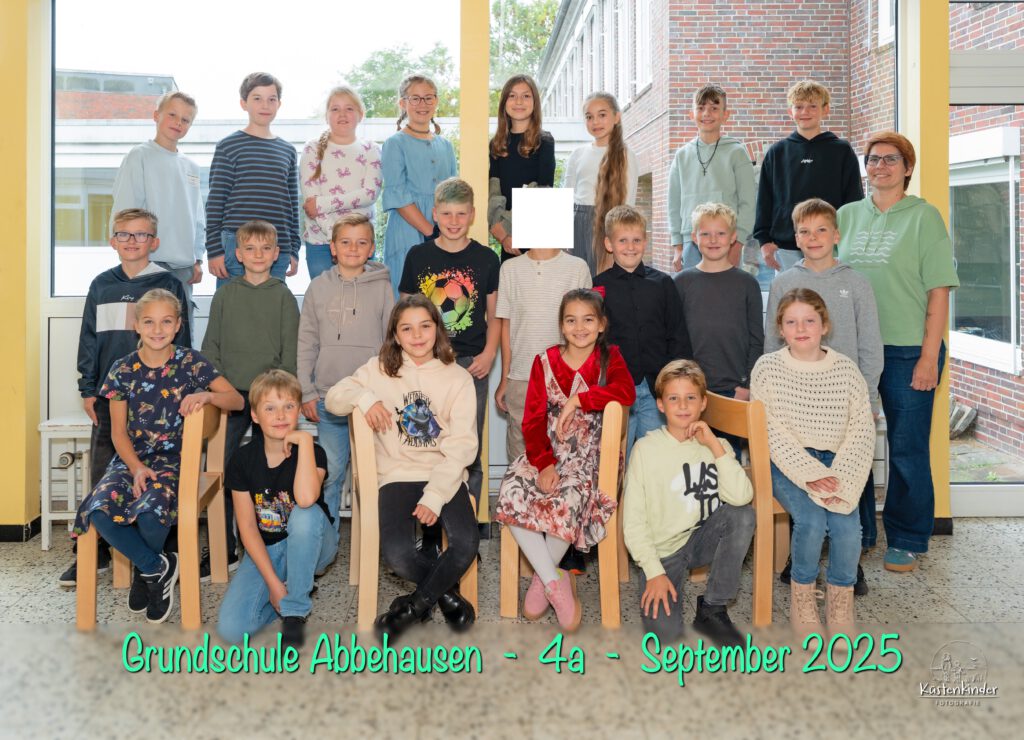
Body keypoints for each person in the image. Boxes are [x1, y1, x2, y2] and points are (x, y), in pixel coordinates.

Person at [71, 289, 242, 624]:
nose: (157, 329)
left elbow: (236, 400)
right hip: (130, 460)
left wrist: (208, 396)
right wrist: (135, 467)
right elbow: (117, 434)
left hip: (176, 462)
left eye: (166, 322)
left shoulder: (191, 363)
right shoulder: (122, 369)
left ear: (177, 325)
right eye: (149, 322)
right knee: (98, 510)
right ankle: (155, 567)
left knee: (151, 512)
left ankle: (145, 571)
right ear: (136, 325)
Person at [837, 131, 959, 573]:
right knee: (852, 446)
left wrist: (929, 356)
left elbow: (939, 290)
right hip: (854, 352)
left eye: (891, 159)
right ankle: (859, 532)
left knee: (907, 449)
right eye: (873, 159)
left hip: (909, 350)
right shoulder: (847, 215)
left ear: (907, 168)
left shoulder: (925, 217)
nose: (881, 166)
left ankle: (907, 537)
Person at [325, 294, 479, 640]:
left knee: (467, 543)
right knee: (397, 556)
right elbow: (334, 398)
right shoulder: (378, 369)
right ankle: (447, 596)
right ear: (395, 335)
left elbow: (462, 447)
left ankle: (411, 608)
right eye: (407, 329)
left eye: (425, 326)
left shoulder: (458, 378)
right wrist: (365, 398)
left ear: (437, 329)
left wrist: (435, 495)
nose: (417, 335)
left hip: (445, 474)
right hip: (396, 475)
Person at [60, 208, 191, 588]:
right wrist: (88, 387)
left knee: (161, 470)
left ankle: (155, 547)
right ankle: (93, 551)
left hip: (160, 397)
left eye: (141, 234)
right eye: (124, 234)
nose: (132, 241)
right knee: (103, 472)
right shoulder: (101, 284)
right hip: (109, 396)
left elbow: (182, 341)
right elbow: (88, 338)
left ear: (155, 241)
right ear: (112, 240)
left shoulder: (168, 283)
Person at [495, 288, 635, 630]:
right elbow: (532, 421)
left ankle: (542, 579)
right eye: (571, 321)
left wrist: (579, 400)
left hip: (592, 456)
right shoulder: (544, 361)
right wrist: (544, 463)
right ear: (561, 325)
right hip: (546, 450)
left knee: (568, 498)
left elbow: (626, 391)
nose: (580, 328)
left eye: (588, 320)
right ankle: (553, 581)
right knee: (511, 490)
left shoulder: (610, 358)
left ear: (601, 324)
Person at [765, 198, 882, 595]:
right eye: (804, 231)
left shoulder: (857, 283)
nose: (812, 238)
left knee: (849, 487)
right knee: (806, 501)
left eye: (821, 230)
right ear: (795, 238)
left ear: (836, 235)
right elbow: (771, 346)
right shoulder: (783, 282)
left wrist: (869, 402)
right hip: (795, 414)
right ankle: (801, 563)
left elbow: (870, 346)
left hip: (846, 410)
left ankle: (849, 564)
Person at [750, 289, 875, 637]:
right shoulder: (767, 368)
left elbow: (861, 429)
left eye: (809, 320)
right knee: (813, 520)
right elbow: (769, 430)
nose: (801, 328)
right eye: (791, 322)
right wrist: (809, 473)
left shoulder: (846, 370)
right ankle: (802, 599)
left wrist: (841, 473)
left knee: (848, 526)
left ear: (825, 325)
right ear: (780, 329)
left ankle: (840, 603)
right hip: (785, 462)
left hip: (839, 463)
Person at [623, 359, 755, 646]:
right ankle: (666, 584)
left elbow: (742, 496)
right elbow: (633, 522)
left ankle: (713, 608)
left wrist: (715, 446)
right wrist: (654, 572)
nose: (683, 406)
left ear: (703, 402)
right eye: (674, 398)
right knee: (665, 636)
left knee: (742, 515)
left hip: (701, 540)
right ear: (660, 405)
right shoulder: (645, 450)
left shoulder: (716, 446)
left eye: (691, 398)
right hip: (663, 553)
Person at [398, 178, 500, 536]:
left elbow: (495, 314)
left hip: (471, 365)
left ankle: (465, 530)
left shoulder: (486, 258)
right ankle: (428, 530)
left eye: (460, 214)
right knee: (426, 444)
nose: (453, 221)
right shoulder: (418, 256)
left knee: (468, 446)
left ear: (472, 215)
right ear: (434, 214)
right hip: (427, 364)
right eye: (446, 214)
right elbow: (405, 313)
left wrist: (489, 353)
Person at [202, 220, 300, 576]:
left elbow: (290, 354)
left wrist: (278, 397)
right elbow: (210, 347)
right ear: (238, 254)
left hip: (269, 399)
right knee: (222, 469)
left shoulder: (283, 296)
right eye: (250, 249)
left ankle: (273, 545)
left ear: (276, 254)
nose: (258, 255)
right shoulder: (225, 295)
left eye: (265, 249)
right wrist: (218, 389)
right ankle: (223, 547)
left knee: (272, 473)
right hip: (230, 396)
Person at [217, 370, 339, 649]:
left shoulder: (314, 452)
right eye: (270, 408)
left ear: (299, 411)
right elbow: (248, 528)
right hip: (268, 549)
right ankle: (294, 586)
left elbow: (306, 499)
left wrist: (305, 441)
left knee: (304, 514)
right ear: (255, 415)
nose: (280, 415)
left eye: (288, 406)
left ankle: (294, 613)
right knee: (232, 630)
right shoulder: (241, 460)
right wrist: (273, 585)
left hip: (315, 544)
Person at [298, 213, 393, 529]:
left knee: (375, 474)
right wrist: (307, 391)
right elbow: (307, 341)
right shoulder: (317, 288)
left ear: (372, 248)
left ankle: (376, 542)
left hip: (372, 400)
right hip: (328, 398)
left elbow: (391, 343)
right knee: (332, 473)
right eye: (346, 242)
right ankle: (327, 541)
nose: (353, 248)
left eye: (361, 242)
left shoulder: (383, 288)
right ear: (333, 247)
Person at [594, 205, 690, 456]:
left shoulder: (663, 283)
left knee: (655, 457)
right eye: (622, 240)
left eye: (636, 240)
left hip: (655, 389)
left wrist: (678, 380)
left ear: (645, 242)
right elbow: (594, 340)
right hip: (616, 390)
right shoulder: (598, 287)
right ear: (609, 244)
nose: (630, 246)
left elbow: (677, 334)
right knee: (616, 459)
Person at [110, 91, 205, 318]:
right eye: (172, 114)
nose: (178, 122)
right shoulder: (139, 156)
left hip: (183, 269)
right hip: (147, 263)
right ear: (156, 116)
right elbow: (125, 210)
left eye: (185, 119)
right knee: (145, 330)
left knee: (181, 331)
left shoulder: (191, 167)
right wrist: (131, 256)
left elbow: (197, 217)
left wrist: (198, 258)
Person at [753, 80, 863, 274]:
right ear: (790, 111)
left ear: (825, 109)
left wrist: (849, 239)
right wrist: (764, 241)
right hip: (785, 247)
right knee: (791, 294)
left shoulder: (841, 151)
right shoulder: (777, 152)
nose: (805, 112)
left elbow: (853, 199)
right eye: (799, 107)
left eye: (813, 106)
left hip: (830, 245)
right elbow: (765, 200)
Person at [494, 246, 591, 462]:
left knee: (564, 454)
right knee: (521, 457)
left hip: (565, 382)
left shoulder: (577, 268)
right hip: (521, 379)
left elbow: (586, 327)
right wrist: (505, 379)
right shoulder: (509, 269)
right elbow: (506, 327)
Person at [673, 203, 763, 431]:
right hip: (691, 389)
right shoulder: (681, 283)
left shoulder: (747, 284)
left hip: (734, 390)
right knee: (691, 451)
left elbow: (756, 340)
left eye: (721, 233)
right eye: (706, 234)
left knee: (728, 452)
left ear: (733, 237)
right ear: (695, 238)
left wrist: (746, 386)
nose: (713, 240)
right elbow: (674, 339)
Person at [206, 72, 299, 285]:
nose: (265, 105)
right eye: (257, 98)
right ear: (243, 103)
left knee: (272, 305)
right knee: (233, 304)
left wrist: (293, 249)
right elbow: (215, 202)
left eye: (271, 99)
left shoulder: (288, 150)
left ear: (279, 104)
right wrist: (214, 250)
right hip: (236, 245)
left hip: (278, 247)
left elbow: (292, 204)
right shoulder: (228, 146)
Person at [381, 74, 458, 296]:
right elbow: (397, 195)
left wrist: (445, 231)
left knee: (441, 299)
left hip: (441, 231)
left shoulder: (446, 146)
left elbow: (453, 195)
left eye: (428, 98)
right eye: (415, 98)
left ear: (436, 101)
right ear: (402, 103)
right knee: (408, 300)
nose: (422, 104)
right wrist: (430, 232)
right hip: (407, 230)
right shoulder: (394, 144)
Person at [668, 84, 756, 272]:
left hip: (727, 240)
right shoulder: (681, 156)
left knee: (727, 289)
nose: (707, 113)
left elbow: (748, 202)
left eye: (714, 108)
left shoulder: (737, 152)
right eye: (701, 108)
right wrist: (677, 246)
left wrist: (738, 243)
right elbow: (673, 204)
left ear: (725, 115)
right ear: (691, 114)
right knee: (691, 290)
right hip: (690, 240)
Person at [299, 86, 382, 280]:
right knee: (325, 298)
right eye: (335, 109)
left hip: (360, 244)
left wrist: (322, 204)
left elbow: (370, 194)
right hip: (321, 243)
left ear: (361, 115)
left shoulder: (371, 149)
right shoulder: (312, 149)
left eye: (349, 109)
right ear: (326, 116)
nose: (342, 114)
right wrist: (337, 239)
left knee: (362, 297)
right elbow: (311, 203)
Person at [563, 92, 639, 275]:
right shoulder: (577, 154)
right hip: (577, 223)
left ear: (616, 117)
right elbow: (566, 197)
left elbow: (628, 204)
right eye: (589, 117)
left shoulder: (626, 155)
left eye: (602, 115)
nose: (595, 122)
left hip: (609, 225)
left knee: (603, 283)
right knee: (578, 281)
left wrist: (618, 238)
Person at [487, 74, 555, 262]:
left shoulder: (545, 141)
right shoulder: (496, 144)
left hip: (536, 231)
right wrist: (500, 231)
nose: (519, 101)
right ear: (504, 102)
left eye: (526, 96)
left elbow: (542, 191)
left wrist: (507, 228)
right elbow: (494, 191)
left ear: (535, 102)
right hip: (507, 238)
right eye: (512, 96)